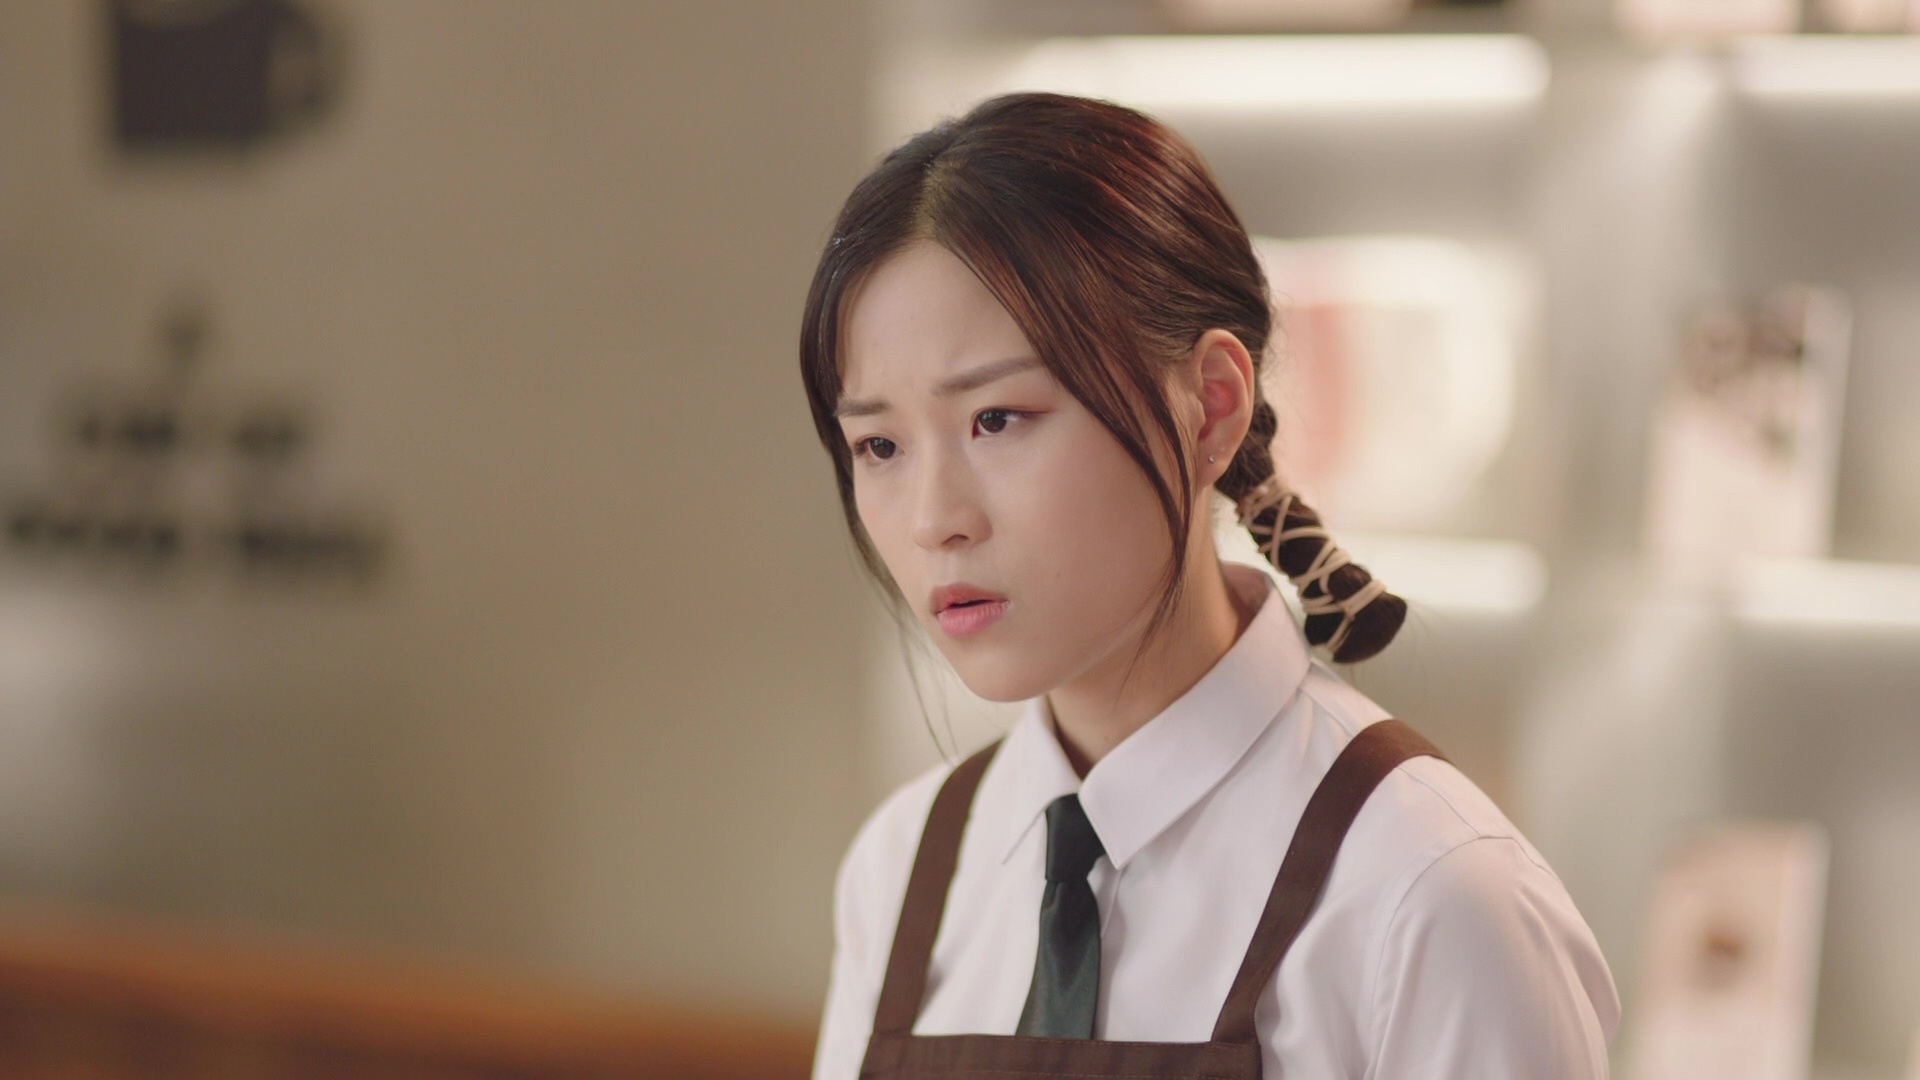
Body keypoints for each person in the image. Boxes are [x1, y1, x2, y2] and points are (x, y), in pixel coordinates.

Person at [798, 91, 1619, 1080]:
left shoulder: (1430, 895)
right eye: (879, 446)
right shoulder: (904, 870)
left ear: (1212, 407)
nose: (936, 518)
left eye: (997, 420)